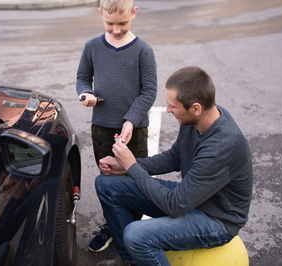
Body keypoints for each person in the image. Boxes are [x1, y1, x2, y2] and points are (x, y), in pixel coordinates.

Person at [96, 66, 253, 265]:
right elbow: (174, 158)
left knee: (136, 235)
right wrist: (124, 165)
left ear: (196, 108)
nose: (168, 110)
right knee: (106, 184)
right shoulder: (198, 120)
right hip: (194, 198)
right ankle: (132, 261)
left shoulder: (221, 146)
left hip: (216, 220)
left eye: (173, 106)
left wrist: (132, 165)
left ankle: (139, 252)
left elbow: (174, 205)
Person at [75, 0, 157, 252]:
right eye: (110, 23)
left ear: (134, 13)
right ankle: (114, 225)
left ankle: (135, 230)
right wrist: (85, 94)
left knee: (135, 180)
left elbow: (149, 91)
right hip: (101, 127)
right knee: (108, 179)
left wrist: (130, 119)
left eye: (122, 23)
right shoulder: (92, 47)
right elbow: (82, 78)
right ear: (101, 13)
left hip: (135, 129)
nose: (117, 29)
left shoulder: (143, 50)